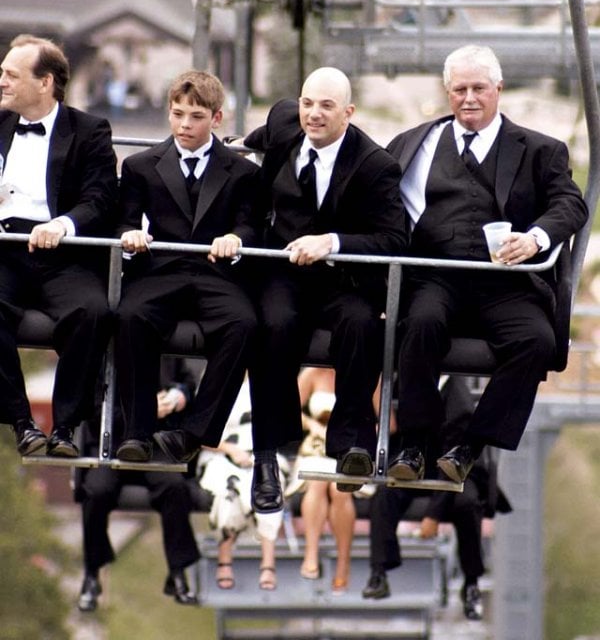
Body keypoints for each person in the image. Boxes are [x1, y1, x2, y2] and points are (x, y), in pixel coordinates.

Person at [386, 44, 588, 483]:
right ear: (447, 92)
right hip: (440, 275)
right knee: (420, 323)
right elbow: (374, 192)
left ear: (498, 90)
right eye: (460, 89)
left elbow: (570, 206)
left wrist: (535, 239)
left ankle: (469, 446)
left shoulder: (539, 150)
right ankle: (415, 443)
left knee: (536, 340)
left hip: (506, 281)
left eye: (479, 88)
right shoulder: (416, 145)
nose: (469, 98)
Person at [243, 67, 407, 514]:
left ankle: (353, 444)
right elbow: (254, 141)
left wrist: (332, 243)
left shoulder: (376, 166)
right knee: (272, 325)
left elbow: (394, 240)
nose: (313, 115)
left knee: (359, 325)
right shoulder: (283, 124)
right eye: (307, 103)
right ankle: (268, 459)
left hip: (343, 276)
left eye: (327, 106)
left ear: (348, 113)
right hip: (284, 271)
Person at [113, 70, 260, 463]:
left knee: (244, 324)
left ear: (216, 119)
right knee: (129, 316)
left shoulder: (244, 171)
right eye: (177, 114)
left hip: (216, 273)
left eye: (196, 116)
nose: (184, 124)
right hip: (162, 270)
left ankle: (196, 433)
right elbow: (124, 219)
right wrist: (130, 237)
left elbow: (250, 222)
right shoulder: (141, 166)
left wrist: (237, 239)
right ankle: (137, 433)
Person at [0, 34, 117, 457]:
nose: (2, 82)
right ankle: (21, 421)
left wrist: (63, 225)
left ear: (45, 83)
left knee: (93, 310)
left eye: (11, 75)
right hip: (4, 249)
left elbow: (101, 197)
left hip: (60, 254)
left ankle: (66, 426)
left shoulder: (89, 130)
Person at [362, 375, 512, 621]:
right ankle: (379, 570)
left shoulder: (455, 395)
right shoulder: (402, 386)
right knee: (385, 496)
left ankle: (471, 581)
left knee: (467, 503)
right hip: (414, 464)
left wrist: (433, 513)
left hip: (456, 471)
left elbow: (453, 461)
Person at [76, 359, 210, 611]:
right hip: (112, 444)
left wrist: (178, 396)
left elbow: (189, 384)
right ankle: (92, 572)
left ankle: (178, 571)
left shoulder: (167, 347)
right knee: (96, 490)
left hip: (156, 445)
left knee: (174, 487)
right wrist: (144, 410)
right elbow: (92, 409)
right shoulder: (106, 352)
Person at [197, 377, 286, 592]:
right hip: (222, 452)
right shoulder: (215, 380)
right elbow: (198, 431)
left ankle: (268, 561)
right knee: (229, 488)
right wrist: (231, 450)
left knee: (268, 485)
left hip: (261, 453)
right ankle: (225, 559)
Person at [287, 366, 357, 594]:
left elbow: (387, 422)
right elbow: (287, 407)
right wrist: (313, 426)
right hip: (317, 446)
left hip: (350, 448)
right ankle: (311, 554)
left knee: (340, 489)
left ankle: (343, 563)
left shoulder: (366, 370)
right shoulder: (312, 373)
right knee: (317, 481)